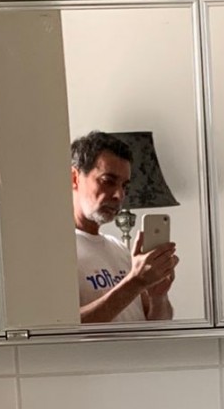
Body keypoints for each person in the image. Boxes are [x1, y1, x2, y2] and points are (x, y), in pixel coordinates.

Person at [70, 130, 179, 323]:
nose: (119, 195)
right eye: (108, 181)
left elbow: (160, 324)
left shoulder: (119, 248)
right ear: (74, 178)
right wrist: (135, 282)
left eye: (124, 186)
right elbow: (65, 327)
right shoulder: (56, 253)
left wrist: (158, 296)